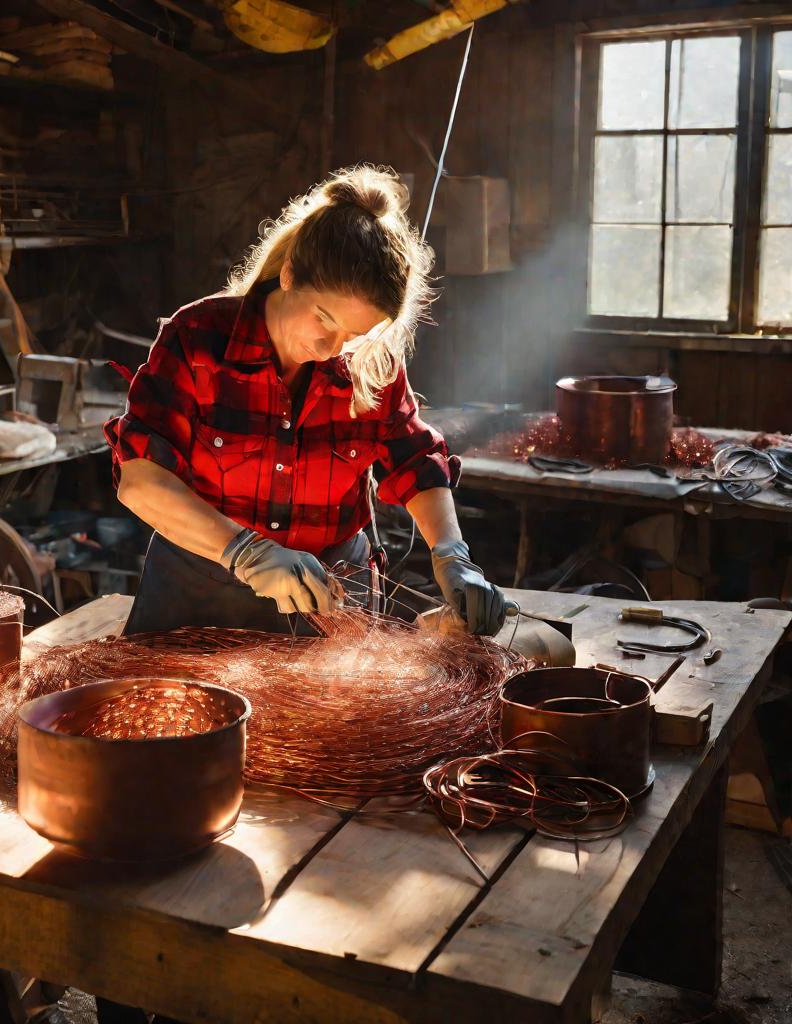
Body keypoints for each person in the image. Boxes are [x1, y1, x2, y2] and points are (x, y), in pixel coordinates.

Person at [100, 166, 507, 1022]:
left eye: (355, 334)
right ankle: (136, 996)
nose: (336, 345)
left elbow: (411, 457)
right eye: (325, 320)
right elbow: (140, 480)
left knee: (314, 815)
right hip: (198, 593)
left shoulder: (367, 358)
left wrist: (454, 553)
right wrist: (245, 547)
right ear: (287, 272)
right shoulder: (199, 339)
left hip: (325, 600)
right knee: (157, 816)